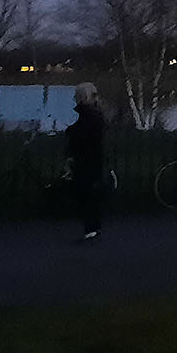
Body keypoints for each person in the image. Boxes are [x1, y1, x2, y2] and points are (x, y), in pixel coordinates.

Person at [67, 82, 107, 241]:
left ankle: (91, 227)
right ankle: (93, 226)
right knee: (90, 192)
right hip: (92, 157)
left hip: (86, 158)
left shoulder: (88, 114)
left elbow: (83, 134)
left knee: (85, 192)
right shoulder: (95, 113)